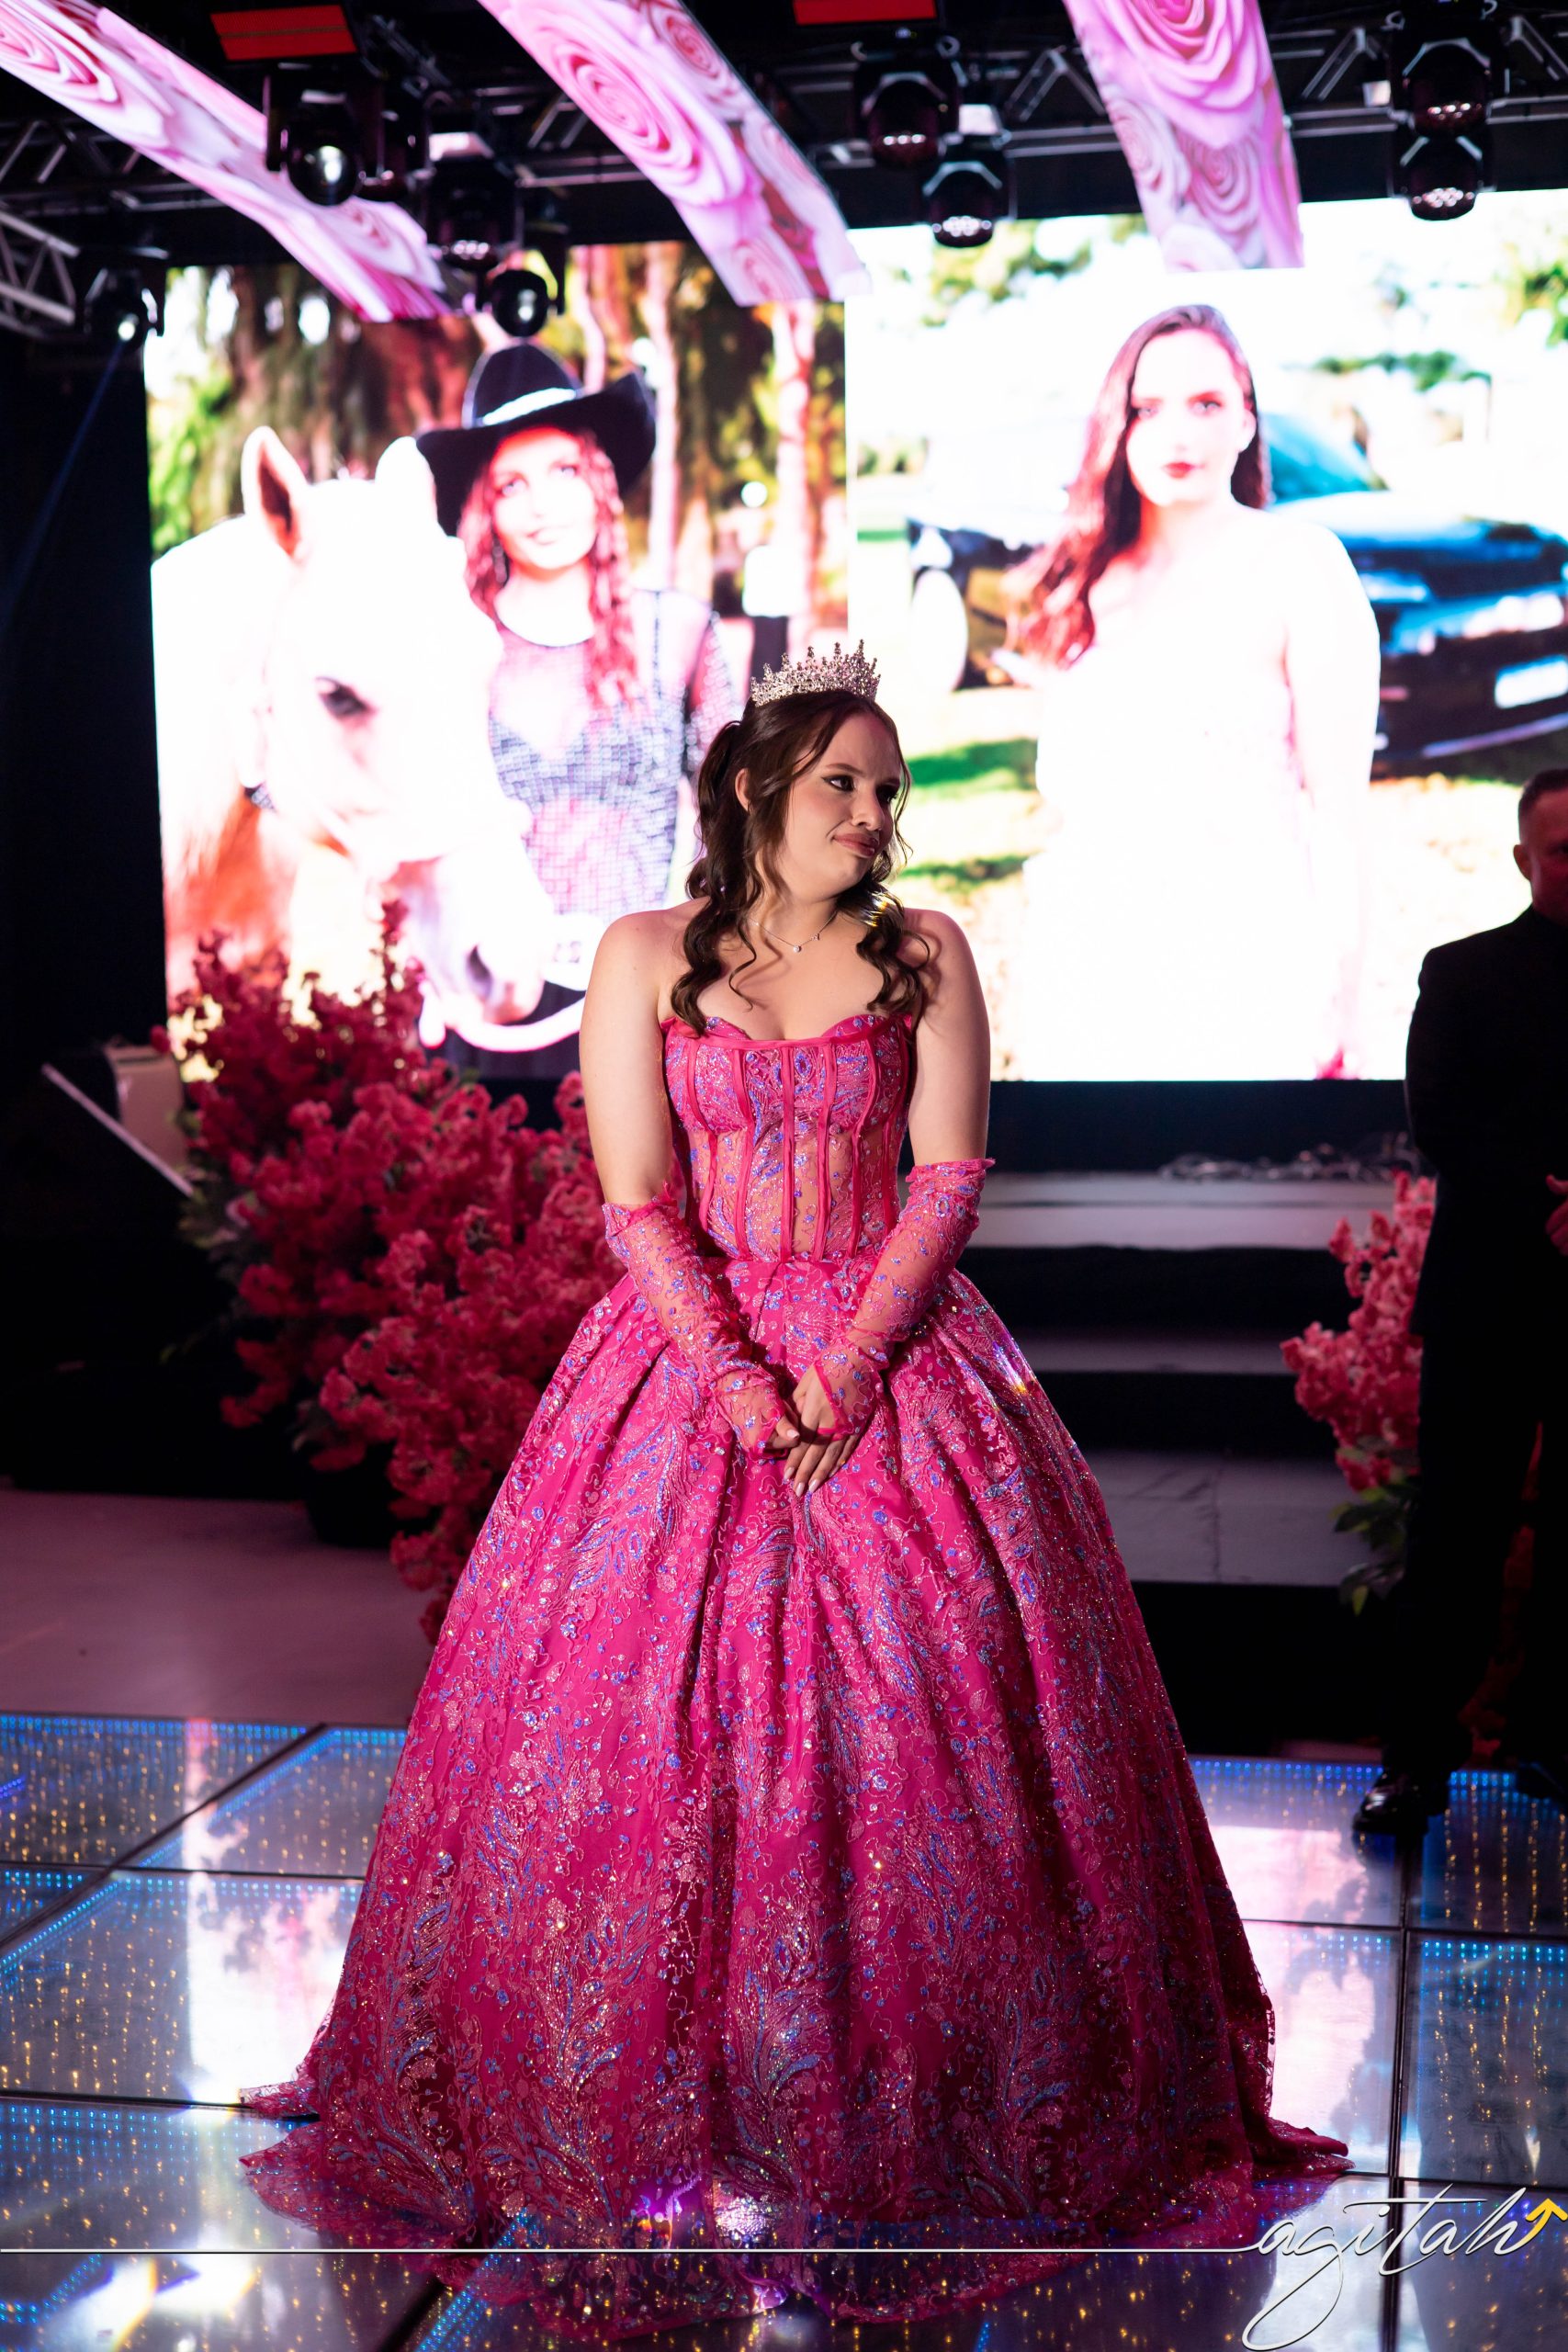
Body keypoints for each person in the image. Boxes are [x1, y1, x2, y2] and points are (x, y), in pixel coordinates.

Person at [235, 645, 1350, 2332]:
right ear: (757, 789)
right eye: (844, 782)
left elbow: (948, 1177)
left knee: (942, 1722)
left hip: (893, 1361)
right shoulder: (641, 954)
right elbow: (634, 1198)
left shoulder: (924, 952)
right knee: (626, 1734)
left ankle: (932, 2111)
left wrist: (846, 1370)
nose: (873, 813)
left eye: (889, 790)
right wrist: (741, 1380)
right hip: (684, 1371)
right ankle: (661, 2124)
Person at [1007, 304, 1382, 1080]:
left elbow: (1341, 816)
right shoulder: (1086, 581)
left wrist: (1344, 1003)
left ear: (1246, 421)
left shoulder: (1300, 564)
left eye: (1206, 404)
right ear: (1117, 428)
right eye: (1147, 409)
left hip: (1250, 973)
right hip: (1089, 971)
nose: (1178, 433)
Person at [418, 343, 740, 1077]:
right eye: (511, 485)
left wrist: (703, 952)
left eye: (563, 471)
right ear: (484, 507)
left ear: (599, 480)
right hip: (484, 1006)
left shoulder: (677, 632)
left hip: (648, 1005)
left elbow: (737, 820)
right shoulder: (452, 646)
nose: (542, 505)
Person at [1353, 768, 1568, 1838]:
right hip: (1492, 1292)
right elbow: (1440, 1124)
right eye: (1562, 849)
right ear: (1524, 859)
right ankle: (1415, 1762)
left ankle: (1555, 1743)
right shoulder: (1464, 971)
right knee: (1456, 1540)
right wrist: (1550, 1200)